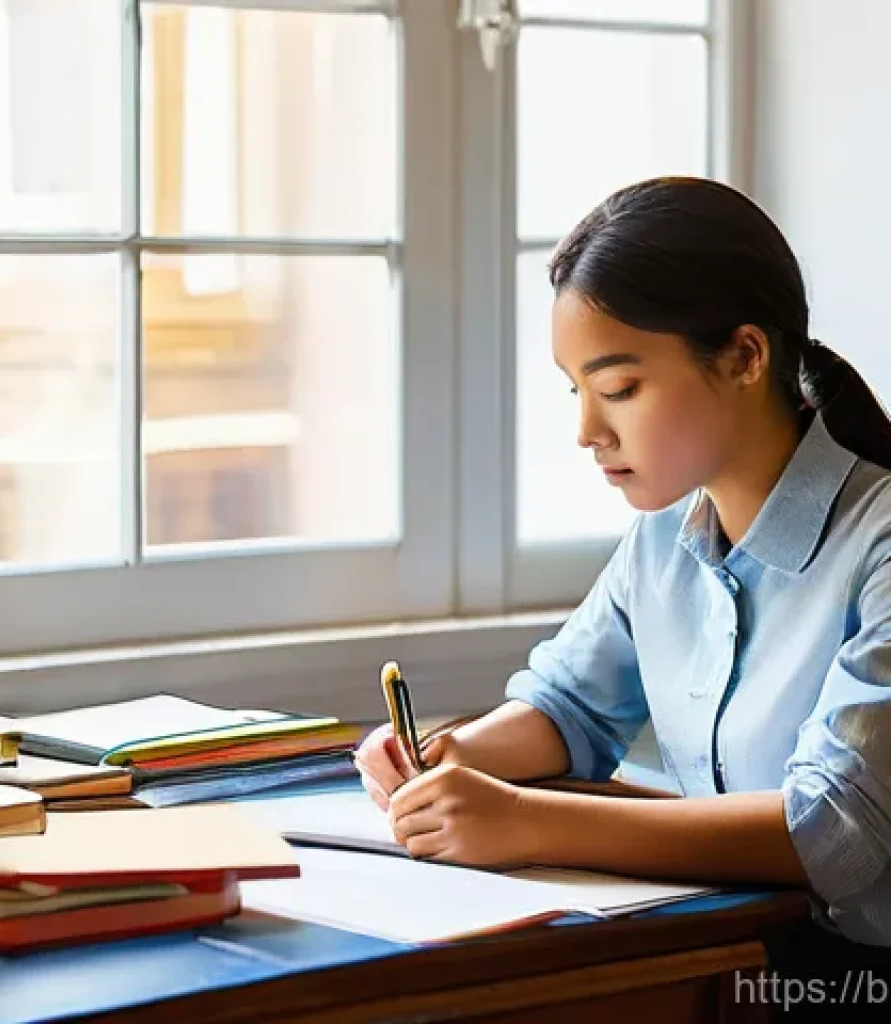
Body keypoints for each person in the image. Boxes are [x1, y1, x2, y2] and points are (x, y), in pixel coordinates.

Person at [354, 176, 891, 1009]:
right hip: (734, 956)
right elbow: (571, 708)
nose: (586, 431)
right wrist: (448, 759)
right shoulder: (665, 537)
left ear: (747, 356)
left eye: (620, 389)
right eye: (578, 391)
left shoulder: (882, 540)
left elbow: (831, 832)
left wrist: (523, 821)